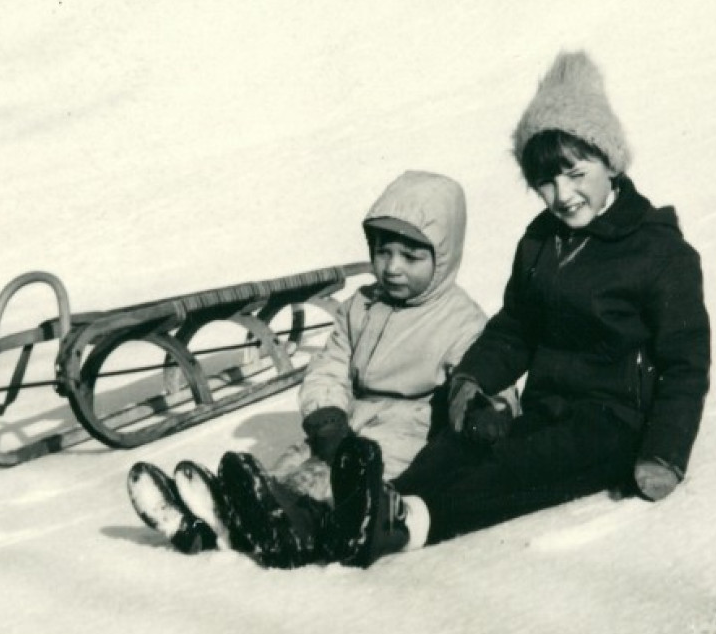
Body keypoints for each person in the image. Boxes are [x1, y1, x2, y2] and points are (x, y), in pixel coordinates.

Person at [331, 50, 712, 568]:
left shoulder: (659, 252)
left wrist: (665, 453)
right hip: (548, 407)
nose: (562, 195)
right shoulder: (541, 240)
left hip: (614, 425)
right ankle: (374, 506)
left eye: (576, 174)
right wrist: (472, 380)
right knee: (460, 443)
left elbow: (684, 364)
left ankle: (409, 524)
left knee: (514, 468)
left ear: (610, 162)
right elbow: (516, 328)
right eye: (546, 184)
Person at [126, 169, 490, 567]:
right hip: (350, 415)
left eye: (411, 256)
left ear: (443, 257)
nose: (392, 268)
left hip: (409, 429)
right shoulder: (362, 304)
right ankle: (222, 517)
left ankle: (289, 526)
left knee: (337, 485)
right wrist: (326, 413)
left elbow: (482, 377)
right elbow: (330, 363)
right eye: (383, 251)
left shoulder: (461, 320)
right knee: (293, 466)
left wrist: (484, 410)